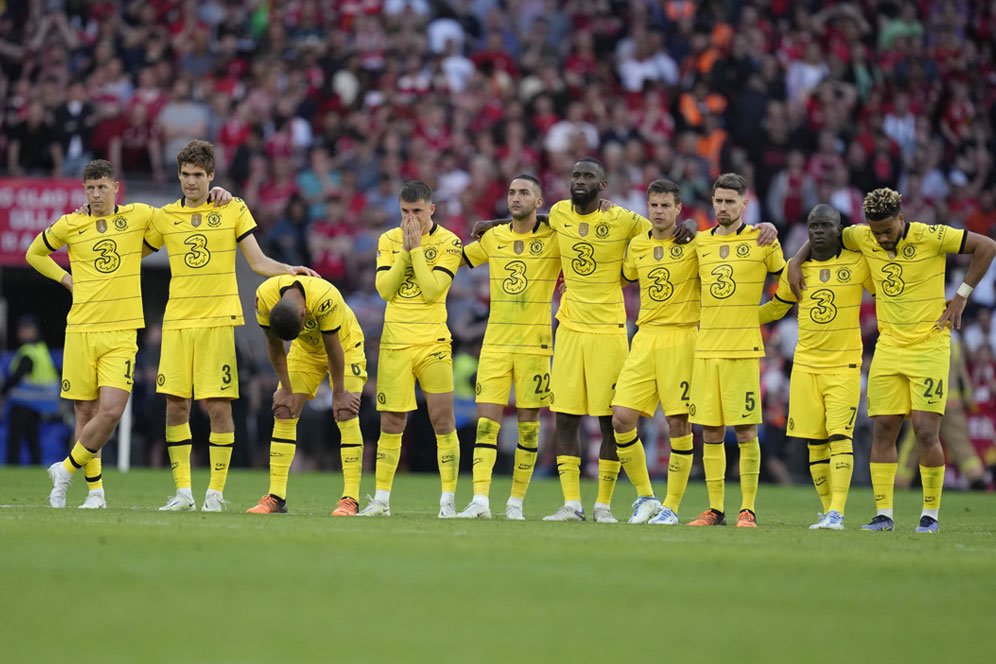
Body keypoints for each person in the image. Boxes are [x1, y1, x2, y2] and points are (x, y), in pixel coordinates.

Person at [789, 188, 996, 533]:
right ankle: (884, 514)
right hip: (888, 347)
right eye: (876, 232)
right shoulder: (863, 235)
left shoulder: (933, 236)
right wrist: (796, 260)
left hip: (930, 345)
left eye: (888, 230)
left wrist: (961, 297)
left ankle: (930, 515)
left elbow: (987, 246)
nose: (882, 238)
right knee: (884, 430)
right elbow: (827, 233)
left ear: (902, 219)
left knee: (926, 432)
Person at [144, 140, 317, 512]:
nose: (191, 182)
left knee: (219, 408)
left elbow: (256, 261)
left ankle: (215, 494)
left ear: (211, 176)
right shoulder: (164, 217)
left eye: (198, 176)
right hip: (177, 323)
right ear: (178, 176)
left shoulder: (233, 207)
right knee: (176, 407)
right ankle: (184, 493)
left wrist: (289, 269)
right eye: (185, 175)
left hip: (218, 322)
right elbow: (132, 249)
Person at [29, 160, 159, 508]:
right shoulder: (70, 224)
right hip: (82, 330)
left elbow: (171, 225)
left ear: (116, 187)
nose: (96, 193)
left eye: (102, 186)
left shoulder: (137, 216)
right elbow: (34, 253)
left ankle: (65, 470)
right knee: (85, 413)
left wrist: (218, 195)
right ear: (83, 190)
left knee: (112, 410)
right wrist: (65, 279)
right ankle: (95, 493)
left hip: (121, 332)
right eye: (90, 188)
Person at [542, 158, 653, 523]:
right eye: (575, 175)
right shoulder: (559, 212)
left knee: (609, 421)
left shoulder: (622, 218)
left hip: (609, 332)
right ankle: (572, 504)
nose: (579, 181)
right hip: (570, 329)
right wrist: (493, 225)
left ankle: (603, 505)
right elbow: (533, 220)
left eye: (588, 176)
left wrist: (686, 226)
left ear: (602, 185)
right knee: (567, 419)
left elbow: (662, 232)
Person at [759, 205, 874, 529]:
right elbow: (777, 308)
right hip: (806, 365)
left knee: (840, 436)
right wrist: (738, 317)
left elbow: (884, 292)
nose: (819, 231)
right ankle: (828, 511)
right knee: (814, 441)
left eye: (826, 225)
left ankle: (838, 511)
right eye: (813, 226)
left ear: (839, 230)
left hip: (844, 365)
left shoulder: (857, 262)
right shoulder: (797, 269)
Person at [454, 174, 560, 520]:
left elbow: (576, 223)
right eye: (512, 192)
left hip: (535, 346)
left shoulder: (554, 237)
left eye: (524, 192)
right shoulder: (494, 238)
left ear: (539, 201)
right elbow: (457, 260)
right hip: (496, 345)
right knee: (487, 424)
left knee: (529, 425)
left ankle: (516, 503)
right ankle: (480, 500)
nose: (516, 197)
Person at [358, 181, 463, 518]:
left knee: (442, 420)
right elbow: (385, 290)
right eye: (405, 211)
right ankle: (382, 501)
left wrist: (416, 249)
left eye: (417, 211)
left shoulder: (450, 242)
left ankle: (447, 501)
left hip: (433, 342)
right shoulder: (388, 240)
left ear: (431, 209)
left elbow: (433, 291)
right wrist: (406, 250)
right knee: (391, 421)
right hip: (395, 343)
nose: (410, 218)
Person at [687, 172, 785, 528]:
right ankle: (715, 509)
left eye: (731, 201)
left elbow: (788, 284)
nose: (724, 207)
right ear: (712, 201)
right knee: (710, 432)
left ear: (746, 203)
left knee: (745, 431)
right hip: (706, 350)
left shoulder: (763, 240)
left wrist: (761, 315)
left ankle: (748, 509)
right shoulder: (699, 242)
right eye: (719, 200)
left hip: (743, 350)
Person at [610, 179, 699, 525]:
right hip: (645, 337)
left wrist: (767, 227)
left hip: (681, 338)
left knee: (678, 422)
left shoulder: (694, 243)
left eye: (666, 206)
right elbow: (624, 277)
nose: (659, 211)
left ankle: (672, 507)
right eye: (654, 205)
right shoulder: (636, 247)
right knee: (621, 417)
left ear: (679, 209)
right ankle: (646, 497)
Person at [245, 275, 363, 515]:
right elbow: (275, 347)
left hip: (345, 347)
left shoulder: (324, 297)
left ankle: (350, 499)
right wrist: (287, 390)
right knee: (284, 410)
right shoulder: (264, 297)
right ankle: (276, 497)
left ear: (303, 314)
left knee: (346, 411)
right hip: (304, 352)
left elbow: (333, 348)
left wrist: (339, 393)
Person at [2, 316, 59, 466]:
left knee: (16, 438)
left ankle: (12, 466)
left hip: (23, 403)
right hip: (40, 404)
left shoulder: (28, 352)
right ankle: (36, 465)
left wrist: (3, 391)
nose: (22, 332)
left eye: (26, 329)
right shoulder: (41, 349)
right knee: (32, 437)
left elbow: (17, 376)